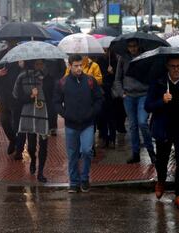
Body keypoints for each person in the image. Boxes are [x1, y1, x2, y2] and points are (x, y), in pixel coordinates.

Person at [145, 57, 179, 209]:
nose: (176, 69)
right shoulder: (159, 83)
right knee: (162, 160)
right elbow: (148, 106)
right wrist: (161, 101)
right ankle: (161, 180)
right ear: (167, 67)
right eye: (173, 66)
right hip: (164, 127)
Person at [54, 54, 103, 193]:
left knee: (87, 151)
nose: (79, 68)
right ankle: (74, 182)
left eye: (81, 65)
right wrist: (65, 114)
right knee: (72, 154)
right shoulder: (63, 83)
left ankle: (85, 178)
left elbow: (99, 98)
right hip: (71, 124)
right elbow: (56, 102)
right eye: (76, 66)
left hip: (87, 123)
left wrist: (92, 112)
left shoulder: (90, 81)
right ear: (69, 66)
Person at [112, 39, 156, 164]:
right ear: (127, 47)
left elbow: (152, 76)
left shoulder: (145, 56)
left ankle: (151, 152)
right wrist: (122, 93)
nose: (133, 49)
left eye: (135, 46)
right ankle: (135, 153)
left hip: (143, 95)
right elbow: (117, 79)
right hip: (129, 96)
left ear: (139, 45)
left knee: (142, 123)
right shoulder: (123, 59)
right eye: (130, 46)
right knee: (133, 126)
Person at [13, 59, 50, 183]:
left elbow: (52, 95)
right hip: (28, 113)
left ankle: (40, 172)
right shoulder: (21, 77)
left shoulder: (45, 77)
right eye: (38, 63)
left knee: (44, 143)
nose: (40, 65)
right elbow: (16, 96)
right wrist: (31, 96)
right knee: (31, 146)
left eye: (41, 63)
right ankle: (33, 159)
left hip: (43, 113)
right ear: (31, 63)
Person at [0, 41, 24, 158]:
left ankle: (19, 150)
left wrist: (23, 66)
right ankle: (13, 140)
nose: (10, 43)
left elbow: (32, 73)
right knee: (5, 122)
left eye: (13, 41)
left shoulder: (22, 54)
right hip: (3, 95)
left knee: (17, 124)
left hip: (18, 95)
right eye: (9, 41)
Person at [95, 48, 118, 148]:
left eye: (107, 50)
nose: (105, 52)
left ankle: (112, 138)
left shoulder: (115, 61)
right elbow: (98, 77)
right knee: (102, 116)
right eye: (104, 50)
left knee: (112, 117)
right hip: (101, 91)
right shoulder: (99, 61)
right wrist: (106, 73)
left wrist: (112, 72)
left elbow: (118, 77)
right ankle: (104, 138)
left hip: (111, 93)